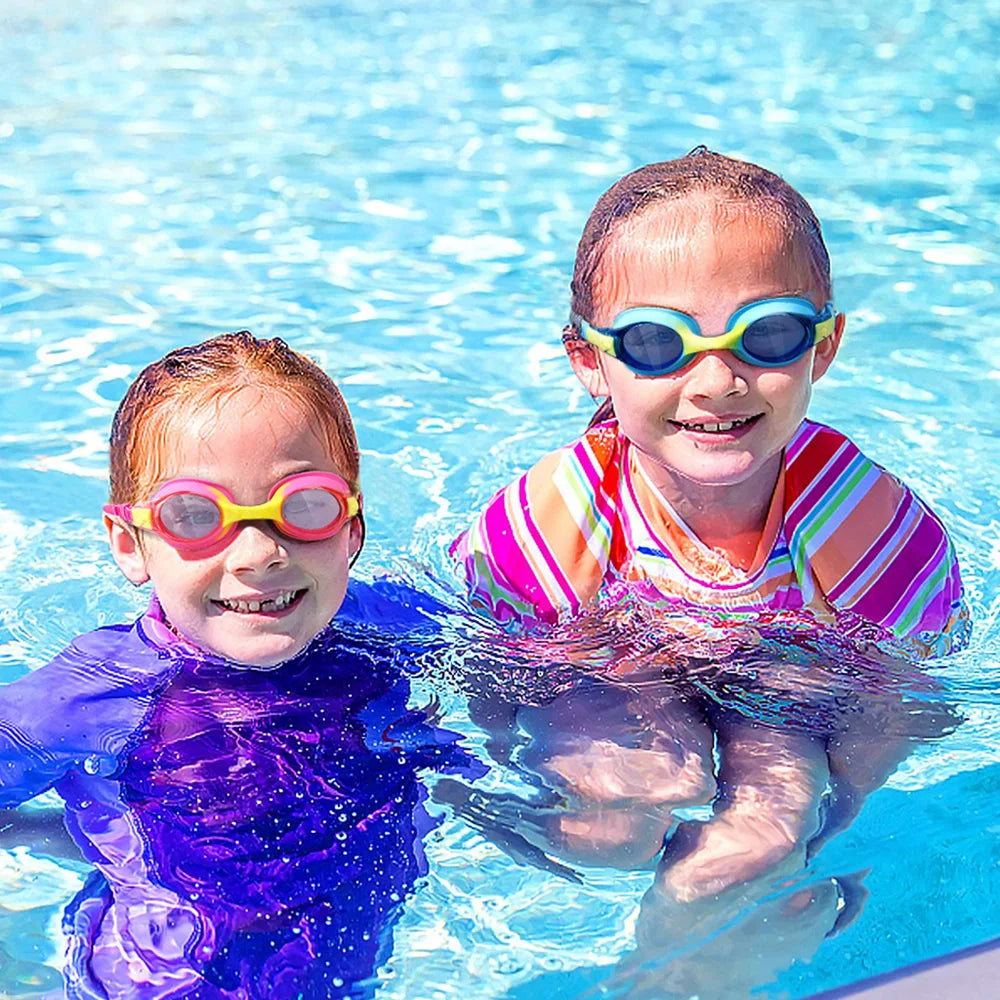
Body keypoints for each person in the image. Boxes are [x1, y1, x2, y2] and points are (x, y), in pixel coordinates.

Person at [449, 148, 969, 901]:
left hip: (788, 690)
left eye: (768, 335)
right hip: (616, 677)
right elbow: (489, 679)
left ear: (824, 346)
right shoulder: (551, 520)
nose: (718, 380)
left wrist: (840, 825)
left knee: (771, 827)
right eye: (658, 342)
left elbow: (901, 702)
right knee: (617, 828)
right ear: (589, 363)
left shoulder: (860, 520)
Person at [0, 332, 481, 1000]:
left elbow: (521, 663)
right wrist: (68, 840)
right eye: (194, 515)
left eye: (303, 506)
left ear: (353, 530)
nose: (258, 554)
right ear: (129, 544)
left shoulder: (386, 628)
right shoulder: (102, 693)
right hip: (168, 982)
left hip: (351, 963)